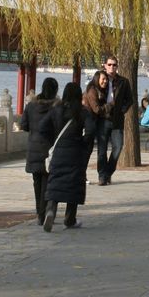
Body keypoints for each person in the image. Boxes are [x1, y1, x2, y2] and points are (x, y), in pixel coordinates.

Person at [39, 82, 95, 232]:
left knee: (55, 182)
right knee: (73, 185)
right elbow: (91, 131)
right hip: (75, 152)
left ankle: (51, 209)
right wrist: (83, 143)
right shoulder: (82, 112)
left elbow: (42, 128)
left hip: (59, 151)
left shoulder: (56, 109)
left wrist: (53, 141)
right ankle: (69, 219)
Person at [20, 77, 58, 223]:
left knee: (37, 182)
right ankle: (46, 211)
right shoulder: (56, 107)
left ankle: (39, 213)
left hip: (33, 148)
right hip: (50, 149)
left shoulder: (31, 106)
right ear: (55, 90)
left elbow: (24, 125)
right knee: (48, 182)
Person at [100, 54, 133, 185]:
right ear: (105, 66)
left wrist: (122, 110)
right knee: (101, 151)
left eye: (114, 65)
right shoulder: (100, 79)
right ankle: (102, 176)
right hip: (102, 119)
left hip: (117, 120)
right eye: (109, 65)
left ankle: (108, 172)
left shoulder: (123, 82)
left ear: (117, 66)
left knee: (118, 147)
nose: (112, 67)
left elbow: (129, 100)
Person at [83, 71, 111, 184]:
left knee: (92, 150)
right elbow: (96, 109)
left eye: (106, 79)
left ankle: (98, 175)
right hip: (88, 123)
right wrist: (109, 106)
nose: (105, 81)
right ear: (97, 79)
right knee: (86, 151)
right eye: (103, 79)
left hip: (94, 123)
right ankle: (81, 175)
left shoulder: (100, 90)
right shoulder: (92, 90)